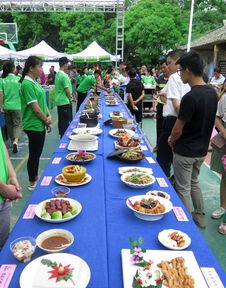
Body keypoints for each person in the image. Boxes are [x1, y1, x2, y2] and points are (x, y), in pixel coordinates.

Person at [168, 50, 218, 228]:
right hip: (201, 150)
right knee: (194, 182)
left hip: (185, 151)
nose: (179, 74)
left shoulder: (190, 97)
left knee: (183, 188)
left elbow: (177, 129)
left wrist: (171, 140)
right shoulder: (212, 93)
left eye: (180, 70)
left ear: (188, 70)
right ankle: (200, 217)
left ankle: (186, 226)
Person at [20, 56, 52, 190]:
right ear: (31, 68)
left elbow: (41, 103)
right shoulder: (27, 84)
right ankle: (32, 182)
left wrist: (49, 115)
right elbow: (35, 107)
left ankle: (35, 178)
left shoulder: (35, 82)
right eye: (39, 66)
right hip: (33, 124)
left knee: (37, 153)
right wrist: (46, 120)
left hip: (39, 123)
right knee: (34, 154)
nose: (41, 69)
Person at [157, 49, 190, 178]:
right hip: (179, 121)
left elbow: (177, 106)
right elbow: (165, 98)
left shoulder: (175, 78)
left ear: (178, 62)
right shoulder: (183, 80)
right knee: (173, 156)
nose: (167, 66)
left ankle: (163, 185)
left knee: (164, 157)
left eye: (169, 63)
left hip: (174, 121)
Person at [0, 129, 22, 249]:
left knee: (3, 245)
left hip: (4, 198)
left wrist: (11, 175)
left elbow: (1, 144)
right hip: (3, 191)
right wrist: (3, 188)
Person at [210, 81, 226, 220]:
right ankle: (223, 206)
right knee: (225, 175)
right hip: (225, 141)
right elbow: (217, 118)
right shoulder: (225, 98)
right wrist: (224, 131)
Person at [0, 62, 22, 153]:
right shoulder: (18, 79)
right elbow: (22, 93)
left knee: (9, 125)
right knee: (17, 124)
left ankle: (12, 140)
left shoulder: (2, 80)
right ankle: (16, 142)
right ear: (13, 69)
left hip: (6, 106)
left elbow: (1, 94)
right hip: (17, 106)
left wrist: (1, 106)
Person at [154, 58, 170, 152]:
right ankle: (158, 145)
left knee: (167, 127)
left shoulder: (174, 78)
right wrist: (158, 93)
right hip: (160, 104)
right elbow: (156, 89)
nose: (163, 70)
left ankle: (167, 147)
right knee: (159, 126)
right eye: (161, 68)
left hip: (170, 106)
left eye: (164, 67)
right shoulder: (160, 77)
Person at [54, 57, 73, 138]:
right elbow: (67, 89)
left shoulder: (58, 74)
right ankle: (65, 137)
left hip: (59, 101)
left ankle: (62, 135)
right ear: (65, 64)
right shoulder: (64, 76)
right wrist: (70, 98)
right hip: (65, 101)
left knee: (61, 121)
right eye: (67, 64)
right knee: (66, 121)